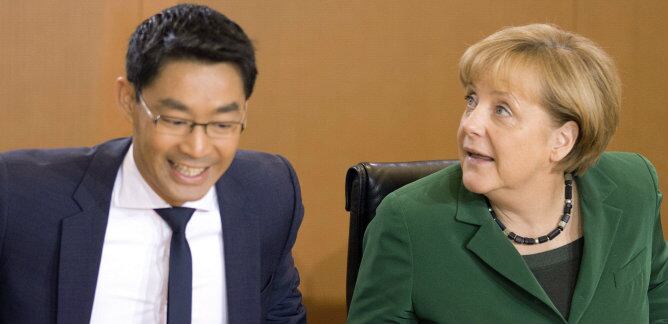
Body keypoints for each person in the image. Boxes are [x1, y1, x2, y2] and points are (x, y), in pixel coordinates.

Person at [0, 4, 305, 324]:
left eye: (222, 124)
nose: (197, 148)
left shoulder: (269, 195)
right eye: (174, 120)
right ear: (128, 99)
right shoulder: (20, 198)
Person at [348, 23, 668, 323]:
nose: (470, 124)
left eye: (502, 109)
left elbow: (658, 296)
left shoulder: (633, 187)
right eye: (472, 100)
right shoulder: (409, 223)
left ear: (561, 140)